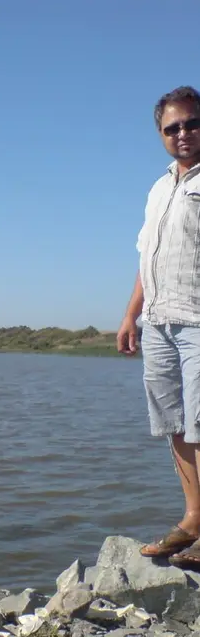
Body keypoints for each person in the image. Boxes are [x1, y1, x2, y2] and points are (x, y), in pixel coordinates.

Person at [117, 86, 200, 569]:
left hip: (198, 321)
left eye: (191, 123)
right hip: (158, 323)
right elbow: (147, 258)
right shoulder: (158, 188)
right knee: (175, 424)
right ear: (161, 134)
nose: (182, 133)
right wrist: (131, 315)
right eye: (172, 127)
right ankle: (193, 519)